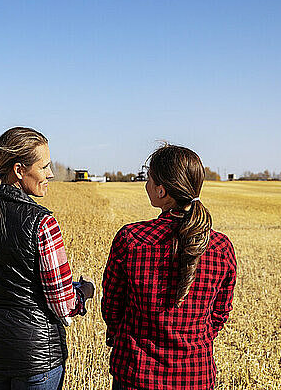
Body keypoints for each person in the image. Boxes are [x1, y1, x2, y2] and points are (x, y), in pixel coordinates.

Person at [0, 127, 95, 390]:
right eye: (44, 167)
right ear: (20, 170)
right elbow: (63, 305)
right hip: (34, 360)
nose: (51, 174)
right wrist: (83, 292)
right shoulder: (41, 222)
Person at [101, 144, 237, 390]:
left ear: (161, 191)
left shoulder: (132, 239)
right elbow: (219, 314)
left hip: (136, 374)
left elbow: (112, 307)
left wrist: (122, 334)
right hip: (195, 376)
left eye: (149, 179)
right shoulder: (221, 247)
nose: (146, 185)